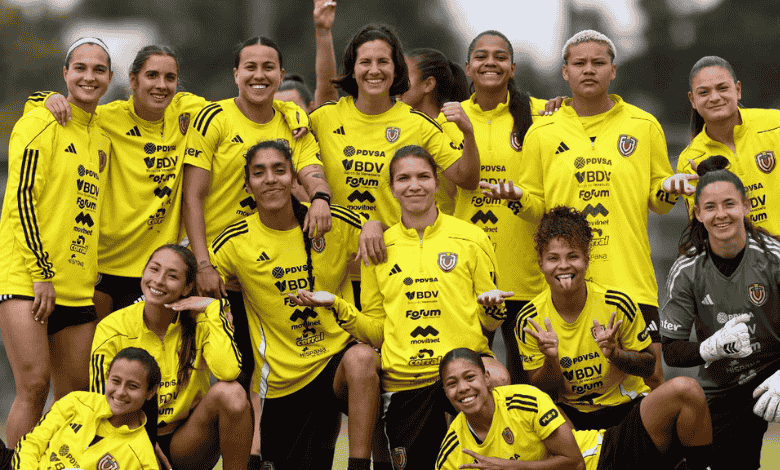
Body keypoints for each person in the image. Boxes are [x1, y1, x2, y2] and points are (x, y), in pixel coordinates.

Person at [480, 29, 698, 390]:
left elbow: (659, 203)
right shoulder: (543, 132)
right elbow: (537, 208)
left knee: (652, 380)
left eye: (599, 62)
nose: (589, 70)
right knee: (568, 388)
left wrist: (669, 188)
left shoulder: (643, 126)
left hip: (630, 279)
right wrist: (516, 198)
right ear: (565, 72)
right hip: (569, 285)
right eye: (579, 63)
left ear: (613, 70)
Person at [288, 145, 512, 470]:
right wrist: (338, 307)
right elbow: (377, 332)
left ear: (436, 182)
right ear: (392, 189)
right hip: (407, 378)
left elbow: (488, 326)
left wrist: (493, 311)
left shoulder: (472, 238)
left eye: (423, 176)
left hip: (460, 365)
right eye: (403, 178)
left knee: (497, 377)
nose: (414, 185)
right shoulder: (378, 247)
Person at [208, 140, 382, 470]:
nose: (270, 179)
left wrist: (375, 224)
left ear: (295, 179)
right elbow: (196, 277)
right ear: (247, 185)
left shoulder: (336, 222)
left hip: (335, 364)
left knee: (362, 359)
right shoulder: (234, 242)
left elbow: (391, 236)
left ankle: (359, 466)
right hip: (283, 378)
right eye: (259, 173)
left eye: (279, 170)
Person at [0, 37, 113, 447]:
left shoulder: (102, 136)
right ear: (65, 74)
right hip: (27, 281)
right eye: (79, 68)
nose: (89, 76)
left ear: (110, 79)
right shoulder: (38, 123)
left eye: (98, 69)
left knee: (76, 401)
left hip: (77, 286)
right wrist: (41, 275)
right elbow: (21, 202)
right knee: (33, 386)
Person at [661, 157, 780, 469]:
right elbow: (671, 351)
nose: (721, 214)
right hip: (726, 386)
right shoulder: (687, 270)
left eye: (729, 204)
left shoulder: (774, 258)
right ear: (698, 214)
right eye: (710, 207)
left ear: (746, 206)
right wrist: (709, 347)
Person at [90, 244, 251, 470]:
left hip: (187, 439)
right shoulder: (113, 327)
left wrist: (213, 308)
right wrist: (140, 440)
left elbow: (228, 371)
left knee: (232, 393)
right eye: (154, 269)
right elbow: (100, 400)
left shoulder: (200, 322)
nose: (159, 280)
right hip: (130, 437)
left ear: (187, 288)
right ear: (143, 274)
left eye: (172, 276)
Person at [309, 23, 481, 231]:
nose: (374, 70)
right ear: (353, 70)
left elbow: (467, 179)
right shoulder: (324, 117)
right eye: (365, 62)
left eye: (383, 61)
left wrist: (468, 133)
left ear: (396, 69)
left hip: (392, 257)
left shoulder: (418, 124)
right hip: (331, 256)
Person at [436, 347, 716, 470]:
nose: (463, 389)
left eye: (469, 377)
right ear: (446, 392)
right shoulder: (452, 452)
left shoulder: (523, 400)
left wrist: (509, 467)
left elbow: (574, 463)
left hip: (603, 458)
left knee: (684, 390)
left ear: (486, 378)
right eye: (452, 383)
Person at [516, 205, 654, 430]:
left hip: (625, 407)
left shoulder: (617, 304)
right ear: (540, 262)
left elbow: (649, 367)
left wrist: (615, 354)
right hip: (571, 416)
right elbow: (545, 392)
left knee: (684, 389)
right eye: (553, 258)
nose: (563, 266)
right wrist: (551, 358)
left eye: (573, 256)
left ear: (587, 259)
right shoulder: (530, 320)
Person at [677, 56, 780, 235]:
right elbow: (702, 231)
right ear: (692, 100)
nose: (715, 97)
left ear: (738, 89)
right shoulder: (689, 160)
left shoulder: (775, 125)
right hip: (738, 261)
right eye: (704, 93)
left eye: (722, 88)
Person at [12, 347, 160, 470]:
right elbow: (31, 443)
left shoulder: (143, 459)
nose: (120, 392)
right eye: (116, 381)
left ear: (150, 392)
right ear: (107, 377)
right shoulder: (77, 401)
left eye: (132, 386)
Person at [399, 47, 469, 217]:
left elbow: (459, 189)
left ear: (428, 84)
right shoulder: (404, 126)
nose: (397, 84)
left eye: (404, 77)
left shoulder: (451, 127)